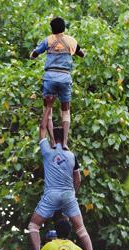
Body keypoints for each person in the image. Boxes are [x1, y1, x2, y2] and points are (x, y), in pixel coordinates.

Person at [27, 116, 96, 250]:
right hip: (68, 194)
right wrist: (73, 194)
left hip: (51, 194)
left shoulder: (47, 151)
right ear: (64, 137)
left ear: (53, 138)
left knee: (33, 226)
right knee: (81, 229)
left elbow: (42, 128)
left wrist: (47, 108)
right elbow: (77, 178)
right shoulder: (71, 155)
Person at [30, 17, 85, 151]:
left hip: (49, 78)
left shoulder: (48, 40)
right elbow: (82, 54)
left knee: (47, 108)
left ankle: (53, 141)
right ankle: (65, 142)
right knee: (65, 109)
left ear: (52, 29)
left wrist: (32, 55)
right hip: (65, 78)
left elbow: (35, 53)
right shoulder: (71, 41)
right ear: (64, 28)